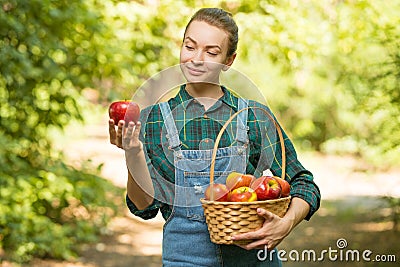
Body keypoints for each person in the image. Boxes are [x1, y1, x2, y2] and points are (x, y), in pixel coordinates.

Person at [109, 7, 320, 266]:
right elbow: (144, 206)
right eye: (190, 47)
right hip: (184, 260)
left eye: (211, 52)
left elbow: (303, 183)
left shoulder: (254, 117)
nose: (197, 58)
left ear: (228, 61)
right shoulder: (153, 120)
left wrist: (285, 223)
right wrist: (133, 152)